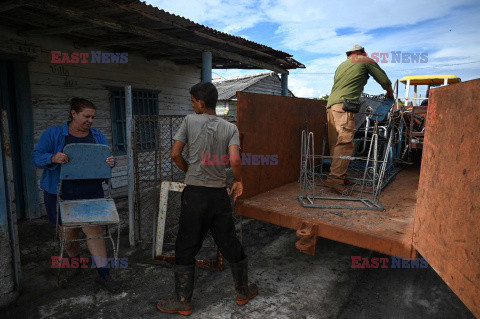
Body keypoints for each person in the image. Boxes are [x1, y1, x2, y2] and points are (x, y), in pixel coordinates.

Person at [156, 82, 257, 315]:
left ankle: (183, 301)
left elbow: (175, 154)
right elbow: (235, 162)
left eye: (193, 102)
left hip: (195, 194)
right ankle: (242, 292)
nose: (192, 106)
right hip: (218, 194)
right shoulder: (229, 127)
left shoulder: (189, 121)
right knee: (228, 240)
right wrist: (238, 181)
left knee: (186, 245)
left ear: (201, 103)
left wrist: (190, 171)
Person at [31, 98, 120, 292]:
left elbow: (106, 159)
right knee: (69, 235)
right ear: (73, 113)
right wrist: (52, 157)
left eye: (93, 117)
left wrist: (110, 161)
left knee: (94, 232)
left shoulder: (97, 136)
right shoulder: (53, 134)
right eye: (86, 116)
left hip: (91, 192)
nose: (90, 121)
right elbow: (36, 157)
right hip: (60, 193)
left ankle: (103, 275)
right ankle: (76, 262)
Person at [325, 44, 394, 193]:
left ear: (349, 54)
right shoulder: (365, 60)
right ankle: (335, 180)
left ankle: (340, 176)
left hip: (331, 106)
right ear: (362, 53)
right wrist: (389, 92)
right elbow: (383, 79)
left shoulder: (341, 65)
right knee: (345, 143)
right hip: (345, 106)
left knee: (335, 143)